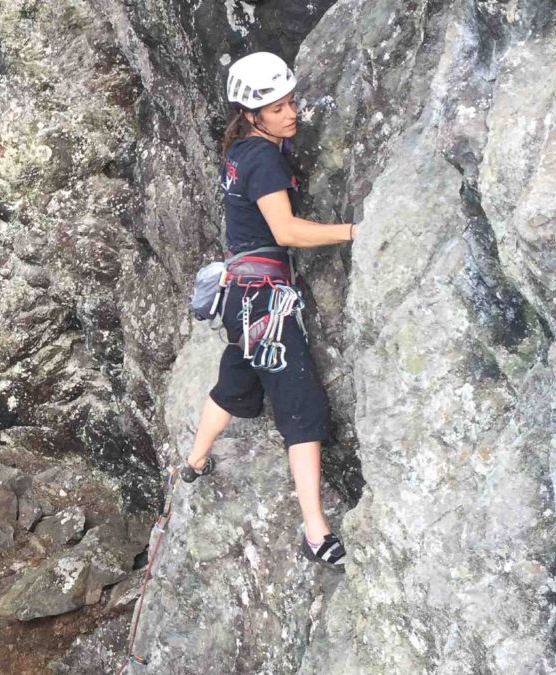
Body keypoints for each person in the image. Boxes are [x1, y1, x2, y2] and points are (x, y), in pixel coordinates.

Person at [180, 52, 357, 568]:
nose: (291, 114)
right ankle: (315, 532)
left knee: (237, 379)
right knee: (302, 409)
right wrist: (353, 231)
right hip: (264, 302)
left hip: (242, 296)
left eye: (291, 103)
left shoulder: (240, 151)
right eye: (277, 108)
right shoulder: (263, 159)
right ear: (252, 113)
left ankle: (194, 461)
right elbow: (286, 231)